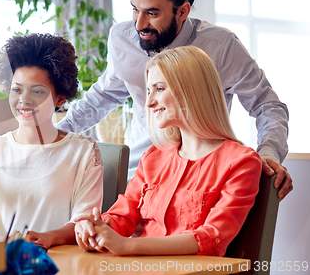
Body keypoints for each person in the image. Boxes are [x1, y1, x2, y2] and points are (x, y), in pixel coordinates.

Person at [57, 0, 292, 199]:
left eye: (152, 13)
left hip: (201, 182)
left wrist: (268, 153)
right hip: (140, 180)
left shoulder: (221, 47)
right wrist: (53, 137)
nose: (139, 23)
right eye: (135, 9)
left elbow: (268, 105)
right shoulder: (121, 39)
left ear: (183, 10)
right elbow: (101, 97)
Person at [74, 45, 262, 257]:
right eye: (148, 91)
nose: (149, 102)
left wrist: (128, 246)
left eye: (159, 89)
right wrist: (97, 230)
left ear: (190, 90)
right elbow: (122, 216)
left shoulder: (241, 162)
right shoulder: (153, 157)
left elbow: (213, 235)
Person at [0, 33, 103, 248]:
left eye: (37, 91)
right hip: (1, 265)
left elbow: (85, 222)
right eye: (17, 89)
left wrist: (49, 237)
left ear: (60, 98)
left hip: (59, 264)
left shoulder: (82, 152)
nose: (24, 100)